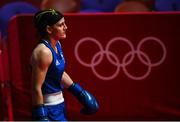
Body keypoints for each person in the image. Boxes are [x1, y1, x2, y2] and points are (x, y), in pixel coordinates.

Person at [31, 9, 99, 121]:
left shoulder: (57, 44)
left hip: (59, 106)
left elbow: (58, 72)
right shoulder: (43, 52)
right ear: (49, 29)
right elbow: (36, 87)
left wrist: (80, 93)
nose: (66, 27)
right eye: (61, 25)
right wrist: (41, 115)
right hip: (48, 109)